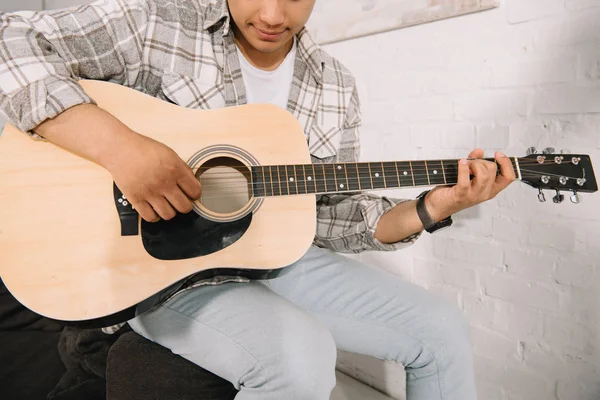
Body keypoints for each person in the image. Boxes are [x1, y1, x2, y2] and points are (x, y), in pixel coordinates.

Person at [0, 0, 515, 399]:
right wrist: (124, 150)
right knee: (299, 356)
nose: (271, 15)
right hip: (162, 272)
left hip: (276, 259)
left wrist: (433, 207)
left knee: (440, 330)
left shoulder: (333, 86)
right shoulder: (160, 24)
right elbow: (12, 39)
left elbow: (334, 219)